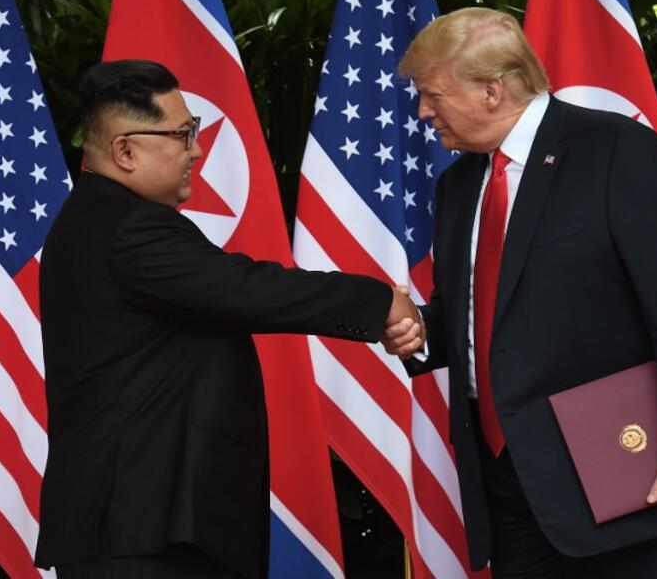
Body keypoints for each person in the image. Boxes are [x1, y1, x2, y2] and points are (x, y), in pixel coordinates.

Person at [34, 59, 421, 579]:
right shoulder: (127, 228)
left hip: (144, 524)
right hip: (139, 527)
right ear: (125, 150)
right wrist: (379, 303)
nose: (196, 149)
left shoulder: (100, 219)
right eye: (181, 133)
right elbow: (249, 289)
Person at [383, 7, 657, 579]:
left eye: (432, 95)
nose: (423, 111)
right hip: (507, 484)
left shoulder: (615, 150)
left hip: (623, 473)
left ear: (492, 90)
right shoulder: (458, 184)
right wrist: (419, 329)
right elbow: (475, 314)